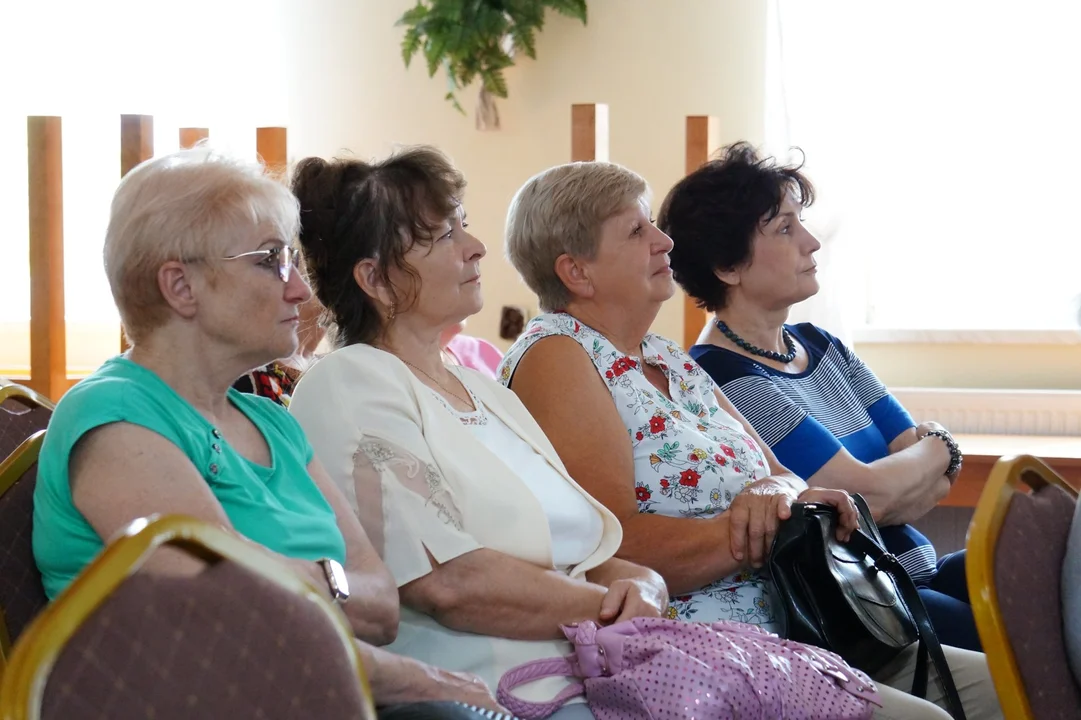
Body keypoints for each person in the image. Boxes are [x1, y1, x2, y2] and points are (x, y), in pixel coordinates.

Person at [498, 159, 1002, 719]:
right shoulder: (558, 355)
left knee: (1003, 686)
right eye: (636, 230)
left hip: (808, 619)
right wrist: (772, 519)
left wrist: (778, 496)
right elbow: (613, 543)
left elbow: (778, 477)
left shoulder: (666, 357)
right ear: (577, 272)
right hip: (715, 650)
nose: (664, 241)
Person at [30, 149, 506, 714]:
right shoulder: (112, 413)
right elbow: (236, 619)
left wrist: (288, 577)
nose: (302, 291)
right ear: (181, 287)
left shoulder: (272, 421)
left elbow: (381, 610)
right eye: (271, 260)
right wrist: (410, 671)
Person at [286, 147, 667, 719]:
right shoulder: (348, 381)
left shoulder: (485, 389)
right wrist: (609, 611)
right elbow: (449, 584)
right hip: (494, 692)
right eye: (442, 236)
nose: (476, 247)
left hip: (597, 671)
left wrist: (646, 586)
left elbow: (588, 552)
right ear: (377, 280)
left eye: (463, 224)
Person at [657, 142, 978, 652]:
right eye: (785, 228)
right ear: (727, 266)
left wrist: (925, 458)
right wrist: (938, 445)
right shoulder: (723, 379)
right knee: (1028, 646)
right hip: (868, 607)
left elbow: (927, 482)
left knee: (1036, 566)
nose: (811, 242)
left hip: (919, 574)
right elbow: (869, 496)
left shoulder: (823, 346)